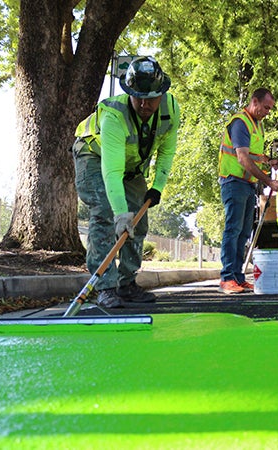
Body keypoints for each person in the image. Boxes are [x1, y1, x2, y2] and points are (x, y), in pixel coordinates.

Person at [72, 56, 180, 308]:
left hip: (132, 165)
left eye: (151, 97)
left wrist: (157, 187)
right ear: (129, 92)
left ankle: (127, 282)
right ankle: (105, 287)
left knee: (138, 221)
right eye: (137, 96)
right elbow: (111, 171)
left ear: (162, 93)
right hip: (94, 156)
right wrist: (121, 213)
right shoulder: (113, 116)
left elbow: (166, 152)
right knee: (105, 213)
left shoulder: (170, 110)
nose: (144, 104)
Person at [218, 88, 278, 294]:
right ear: (254, 101)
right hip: (234, 182)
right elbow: (242, 158)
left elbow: (253, 154)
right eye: (265, 107)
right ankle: (227, 278)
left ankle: (237, 276)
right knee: (233, 229)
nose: (267, 112)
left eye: (270, 109)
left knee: (244, 231)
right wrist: (268, 181)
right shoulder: (240, 123)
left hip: (246, 184)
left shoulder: (257, 125)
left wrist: (267, 161)